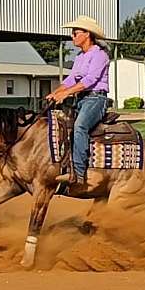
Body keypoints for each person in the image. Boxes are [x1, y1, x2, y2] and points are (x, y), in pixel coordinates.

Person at [46, 15, 110, 187]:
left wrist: (66, 94)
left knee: (79, 126)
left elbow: (90, 80)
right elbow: (71, 79)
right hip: (81, 99)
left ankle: (79, 174)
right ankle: (63, 165)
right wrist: (55, 93)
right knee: (60, 127)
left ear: (87, 34)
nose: (72, 36)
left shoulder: (100, 55)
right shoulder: (80, 57)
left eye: (75, 33)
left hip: (96, 98)